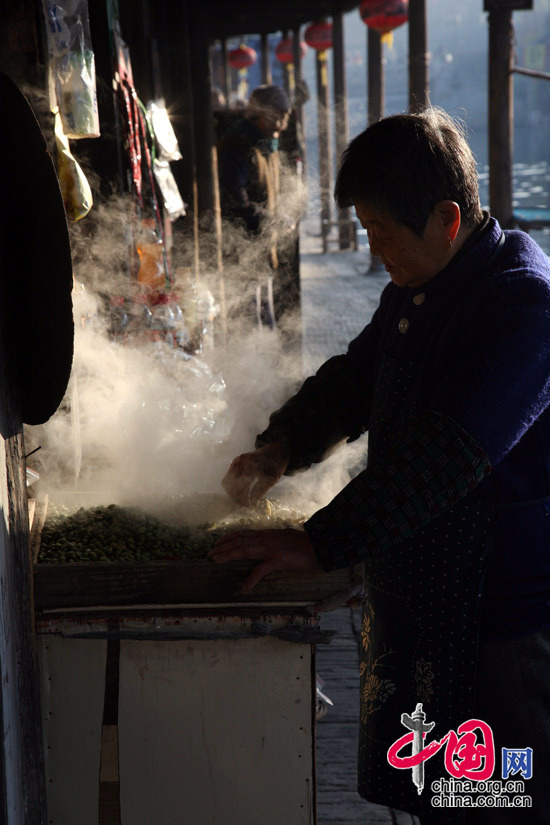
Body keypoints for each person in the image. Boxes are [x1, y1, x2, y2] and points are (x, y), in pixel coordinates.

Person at [209, 109, 550, 824]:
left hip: (502, 619)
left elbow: (448, 457)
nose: (375, 248)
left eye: (384, 234)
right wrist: (280, 447)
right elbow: (355, 380)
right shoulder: (417, 289)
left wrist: (318, 540)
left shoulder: (523, 303)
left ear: (447, 218)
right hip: (427, 599)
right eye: (366, 231)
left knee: (499, 803)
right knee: (441, 799)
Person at [217, 84, 290, 329]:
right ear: (258, 113)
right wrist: (269, 220)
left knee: (264, 316)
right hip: (241, 249)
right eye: (276, 116)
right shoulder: (237, 145)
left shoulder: (268, 146)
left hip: (262, 248)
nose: (281, 124)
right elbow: (235, 200)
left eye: (283, 117)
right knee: (249, 321)